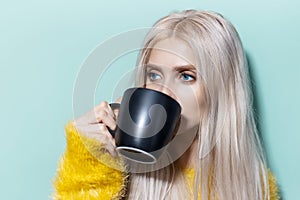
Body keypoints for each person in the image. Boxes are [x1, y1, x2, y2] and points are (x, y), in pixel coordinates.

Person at [52, 10, 279, 200]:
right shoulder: (117, 171)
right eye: (154, 75)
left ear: (222, 90)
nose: (162, 91)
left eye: (186, 76)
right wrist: (88, 163)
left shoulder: (256, 187)